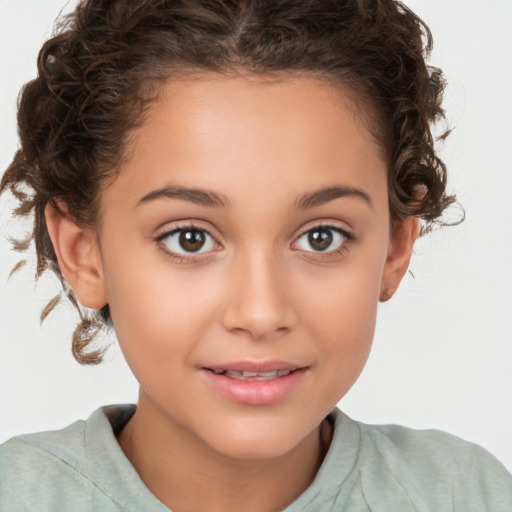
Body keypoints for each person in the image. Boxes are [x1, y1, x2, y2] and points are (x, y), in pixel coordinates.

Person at [0, 0, 511, 510]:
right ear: (84, 253)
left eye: (321, 237)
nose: (261, 314)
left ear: (395, 250)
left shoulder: (463, 494)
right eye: (190, 239)